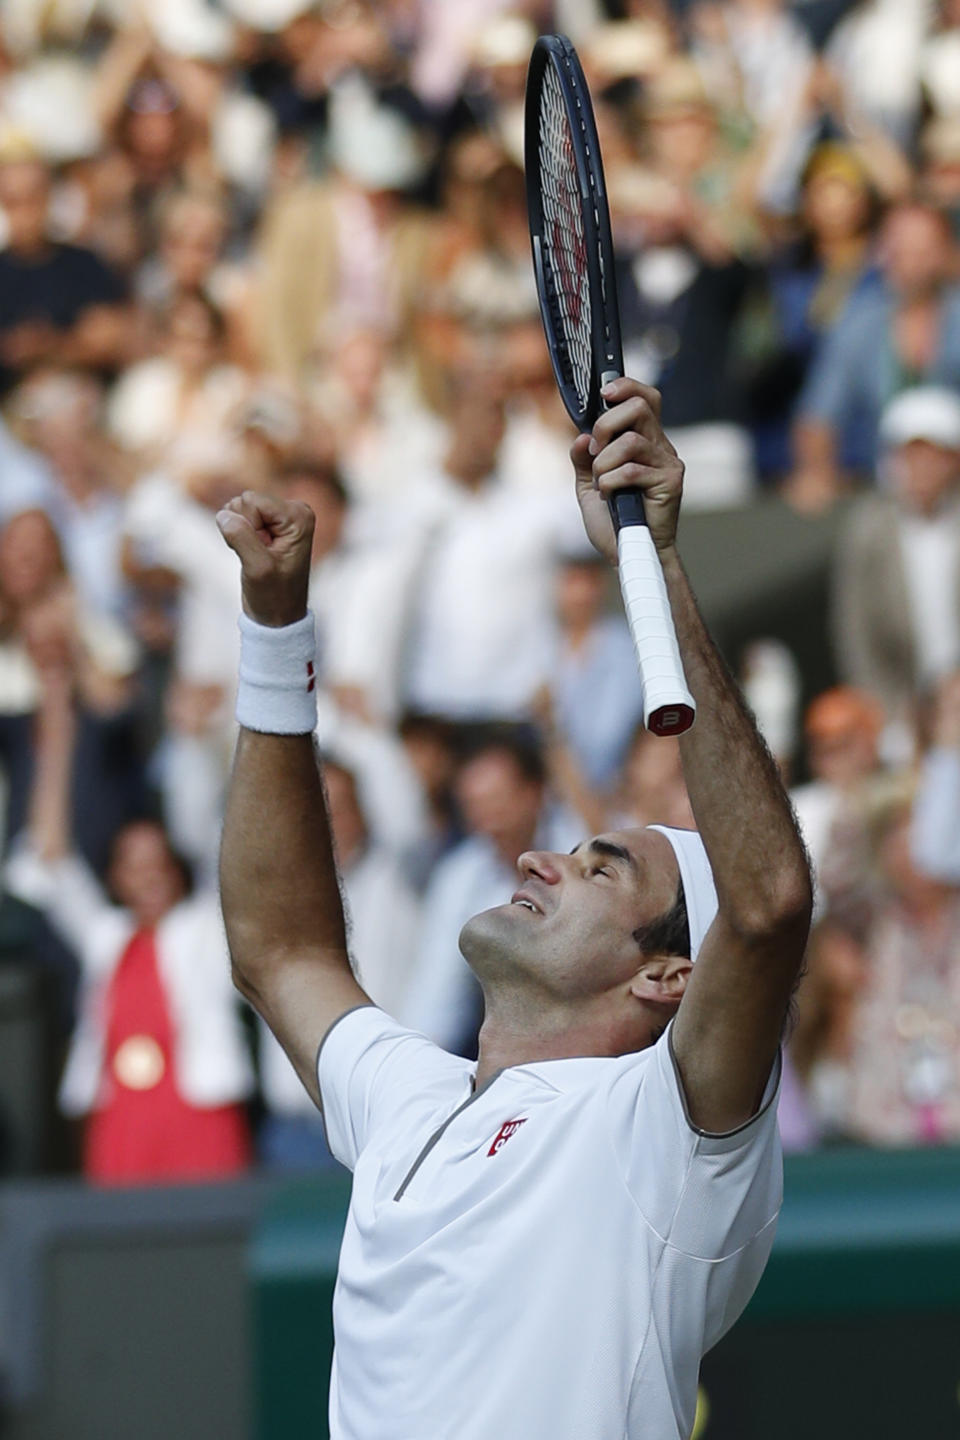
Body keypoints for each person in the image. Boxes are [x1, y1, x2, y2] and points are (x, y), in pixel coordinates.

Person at [216, 376, 812, 1440]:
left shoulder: (665, 1133)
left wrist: (654, 560)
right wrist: (275, 631)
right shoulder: (411, 1103)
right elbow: (278, 946)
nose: (541, 860)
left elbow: (766, 905)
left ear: (668, 975)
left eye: (603, 868)